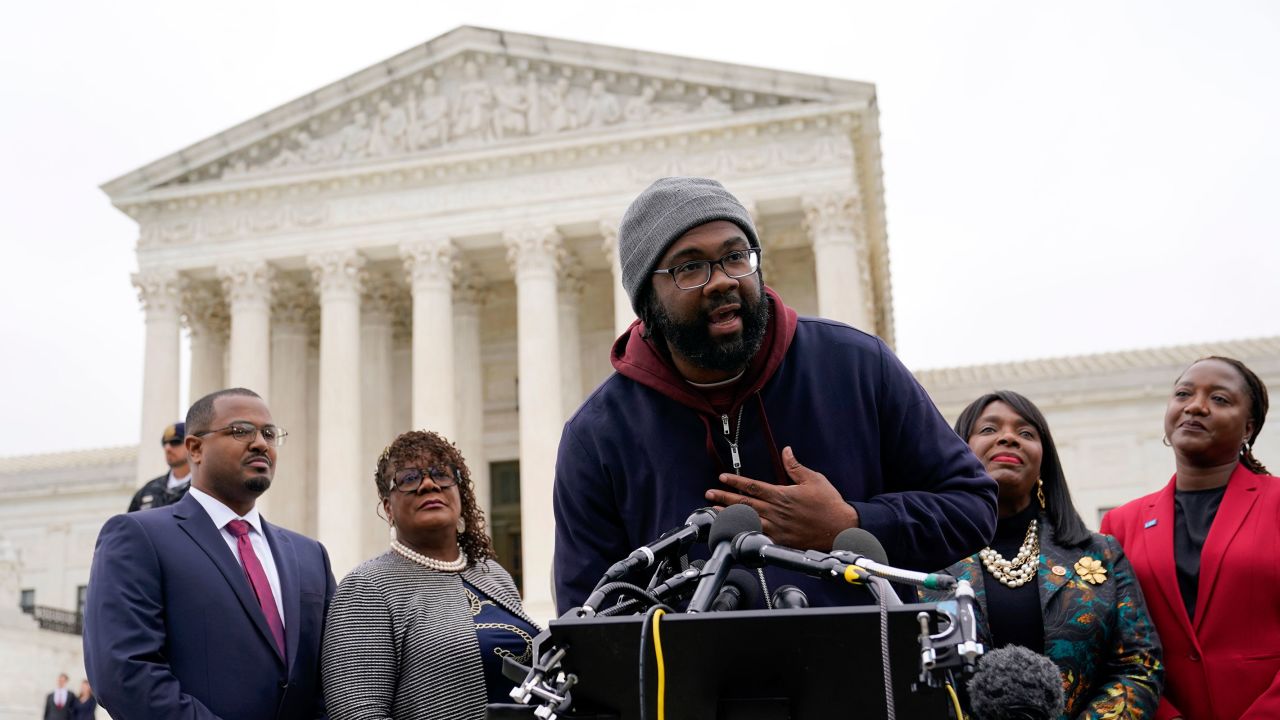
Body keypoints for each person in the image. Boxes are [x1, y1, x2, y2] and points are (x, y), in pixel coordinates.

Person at [553, 177, 997, 612]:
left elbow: (972, 505)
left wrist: (851, 524)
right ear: (647, 298)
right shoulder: (597, 435)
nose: (722, 280)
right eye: (690, 267)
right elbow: (588, 616)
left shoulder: (856, 364)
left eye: (735, 256)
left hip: (864, 673)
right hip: (694, 684)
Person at [83, 387, 336, 720]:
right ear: (195, 448)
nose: (260, 443)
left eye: (269, 434)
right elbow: (125, 674)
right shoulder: (139, 538)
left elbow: (332, 676)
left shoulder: (310, 556)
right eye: (241, 431)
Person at [922, 391, 1162, 716]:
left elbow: (1138, 665)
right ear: (959, 452)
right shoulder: (924, 557)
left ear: (1043, 460)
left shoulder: (1102, 554)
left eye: (1026, 433)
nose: (1008, 438)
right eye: (989, 430)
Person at [1102, 357, 1279, 719]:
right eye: (1183, 394)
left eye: (1220, 399)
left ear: (1248, 428)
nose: (1195, 406)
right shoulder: (1120, 523)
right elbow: (1113, 644)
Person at [322, 430, 539, 719]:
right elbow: (357, 713)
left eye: (440, 474)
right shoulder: (367, 588)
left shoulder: (493, 575)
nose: (428, 485)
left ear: (460, 493)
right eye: (409, 479)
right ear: (388, 508)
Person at [127, 422, 191, 511]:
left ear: (191, 445)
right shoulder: (147, 491)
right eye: (164, 443)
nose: (167, 448)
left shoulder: (204, 488)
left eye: (175, 442)